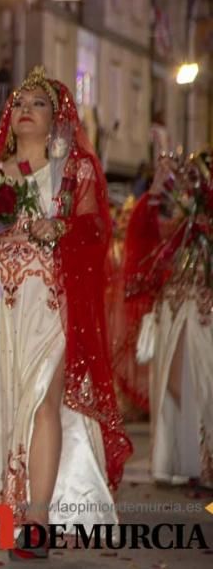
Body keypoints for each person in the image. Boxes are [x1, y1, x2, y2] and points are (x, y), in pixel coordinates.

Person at [0, 67, 131, 559]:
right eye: (18, 104)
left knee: (43, 398)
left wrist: (57, 231)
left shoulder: (74, 169)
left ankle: (37, 518)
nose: (25, 111)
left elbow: (96, 231)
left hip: (49, 299)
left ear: (56, 115)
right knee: (2, 401)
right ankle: (10, 506)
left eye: (37, 103)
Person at [133, 152, 213, 488]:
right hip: (174, 301)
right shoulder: (173, 206)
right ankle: (185, 458)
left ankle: (204, 458)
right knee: (174, 384)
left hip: (203, 302)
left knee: (204, 382)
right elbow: (145, 237)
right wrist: (154, 191)